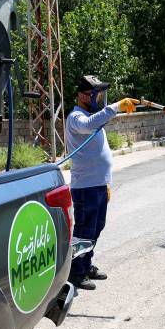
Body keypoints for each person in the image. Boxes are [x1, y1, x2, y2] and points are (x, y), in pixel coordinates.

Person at [64, 75, 138, 290]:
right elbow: (88, 125)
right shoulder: (76, 117)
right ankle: (75, 272)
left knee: (96, 227)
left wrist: (105, 183)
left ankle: (86, 265)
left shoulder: (91, 115)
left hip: (98, 184)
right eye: (95, 94)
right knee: (84, 230)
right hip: (85, 187)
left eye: (101, 95)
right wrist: (116, 107)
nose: (99, 98)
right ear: (81, 95)